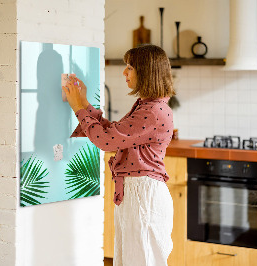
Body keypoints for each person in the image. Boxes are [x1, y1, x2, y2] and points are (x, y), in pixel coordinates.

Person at [62, 44, 175, 266]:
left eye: (130, 67)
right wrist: (84, 103)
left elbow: (106, 141)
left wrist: (78, 108)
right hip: (137, 193)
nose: (124, 72)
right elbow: (113, 133)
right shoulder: (148, 106)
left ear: (146, 71)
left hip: (143, 195)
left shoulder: (152, 111)